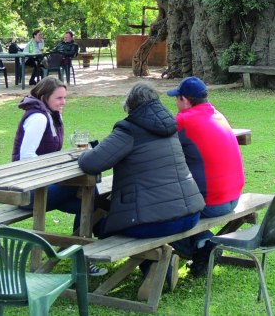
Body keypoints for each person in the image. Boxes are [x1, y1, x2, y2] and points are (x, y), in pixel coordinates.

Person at [78, 83, 204, 242]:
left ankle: (83, 257)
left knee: (99, 223)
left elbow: (91, 163)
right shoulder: (170, 127)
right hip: (191, 214)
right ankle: (159, 264)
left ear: (130, 106)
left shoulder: (128, 130)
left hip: (155, 221)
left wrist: (83, 153)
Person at [10, 76, 107, 276]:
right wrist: (57, 172)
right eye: (59, 98)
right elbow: (25, 158)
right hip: (27, 191)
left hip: (45, 186)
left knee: (88, 202)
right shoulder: (38, 117)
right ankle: (86, 256)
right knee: (89, 193)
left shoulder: (52, 115)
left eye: (65, 98)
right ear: (45, 97)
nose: (63, 102)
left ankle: (82, 254)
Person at [167, 76, 245, 274]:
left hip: (211, 203)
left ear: (184, 100)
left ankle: (202, 248)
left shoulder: (183, 119)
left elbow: (158, 144)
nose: (175, 104)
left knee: (159, 212)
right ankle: (204, 240)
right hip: (233, 198)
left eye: (176, 99)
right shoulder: (218, 114)